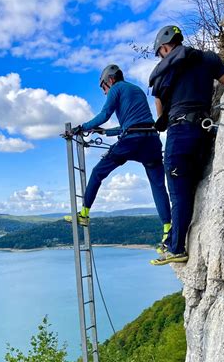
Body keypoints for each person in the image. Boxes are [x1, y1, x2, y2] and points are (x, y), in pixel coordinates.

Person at [149, 25, 224, 265]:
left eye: (160, 52)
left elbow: (160, 111)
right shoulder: (206, 58)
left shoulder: (165, 71)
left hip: (180, 133)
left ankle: (176, 248)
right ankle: (172, 242)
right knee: (189, 187)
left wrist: (162, 119)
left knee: (179, 192)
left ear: (165, 47)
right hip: (204, 132)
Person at [65, 64, 172, 250]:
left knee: (98, 171)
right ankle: (167, 229)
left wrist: (81, 128)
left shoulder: (116, 89)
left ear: (110, 80)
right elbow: (134, 122)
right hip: (151, 140)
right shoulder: (136, 89)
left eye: (103, 87)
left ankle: (84, 213)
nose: (105, 92)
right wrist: (106, 132)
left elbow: (105, 114)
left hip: (132, 141)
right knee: (157, 185)